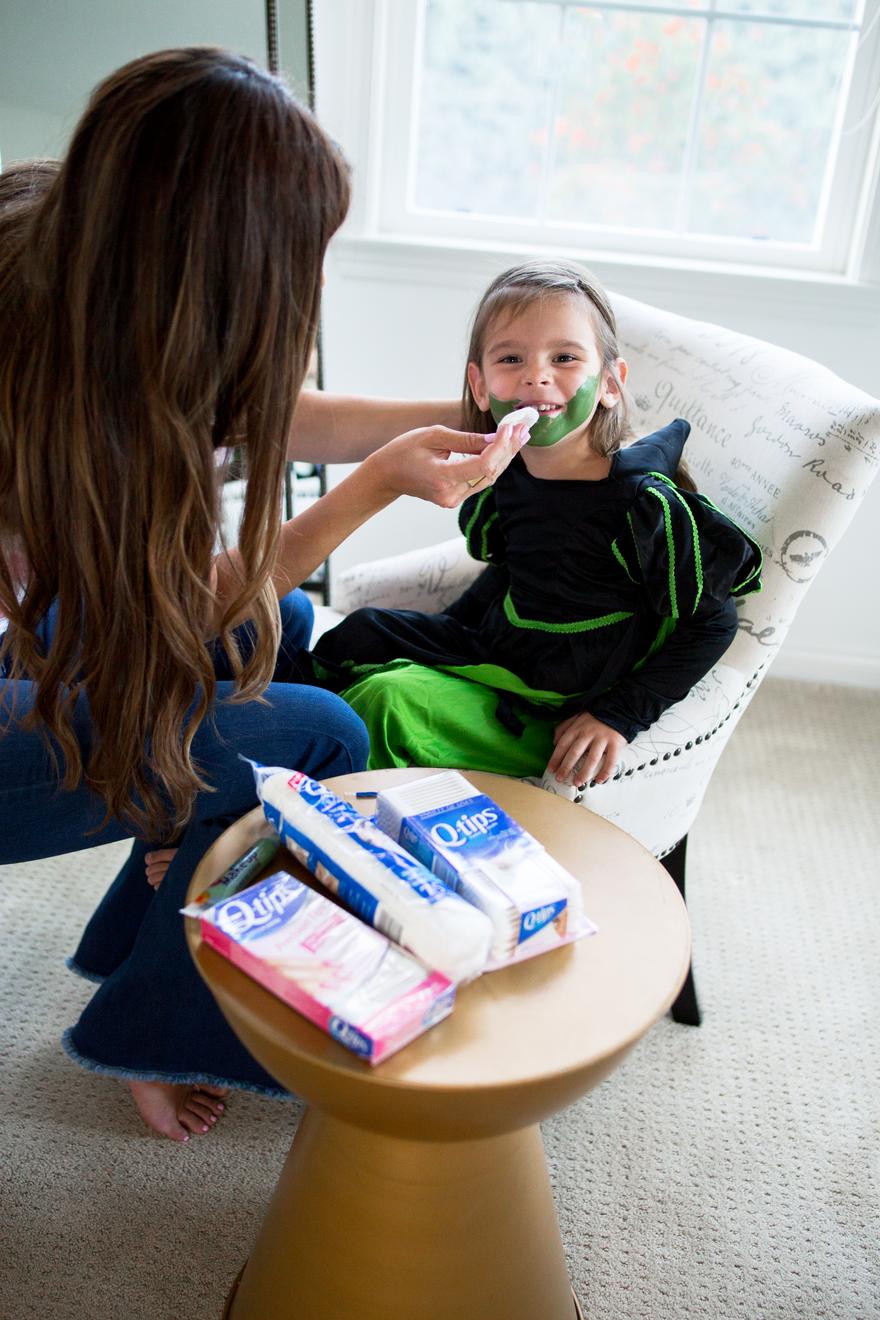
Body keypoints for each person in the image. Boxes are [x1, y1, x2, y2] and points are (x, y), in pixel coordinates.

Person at [0, 50, 529, 1142]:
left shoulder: (63, 236)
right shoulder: (81, 405)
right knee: (318, 738)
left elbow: (271, 412)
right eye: (302, 253)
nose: (313, 279)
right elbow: (185, 618)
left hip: (27, 628)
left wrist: (490, 412)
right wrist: (378, 487)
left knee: (281, 631)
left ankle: (143, 943)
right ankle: (152, 1029)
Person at [306, 260, 763, 789]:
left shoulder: (641, 506)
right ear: (480, 387)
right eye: (511, 358)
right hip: (503, 652)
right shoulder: (510, 474)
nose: (536, 375)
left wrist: (619, 715)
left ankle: (333, 807)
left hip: (557, 699)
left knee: (386, 700)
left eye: (565, 357)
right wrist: (447, 638)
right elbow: (512, 570)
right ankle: (275, 726)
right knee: (362, 632)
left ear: (611, 383)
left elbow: (714, 622)